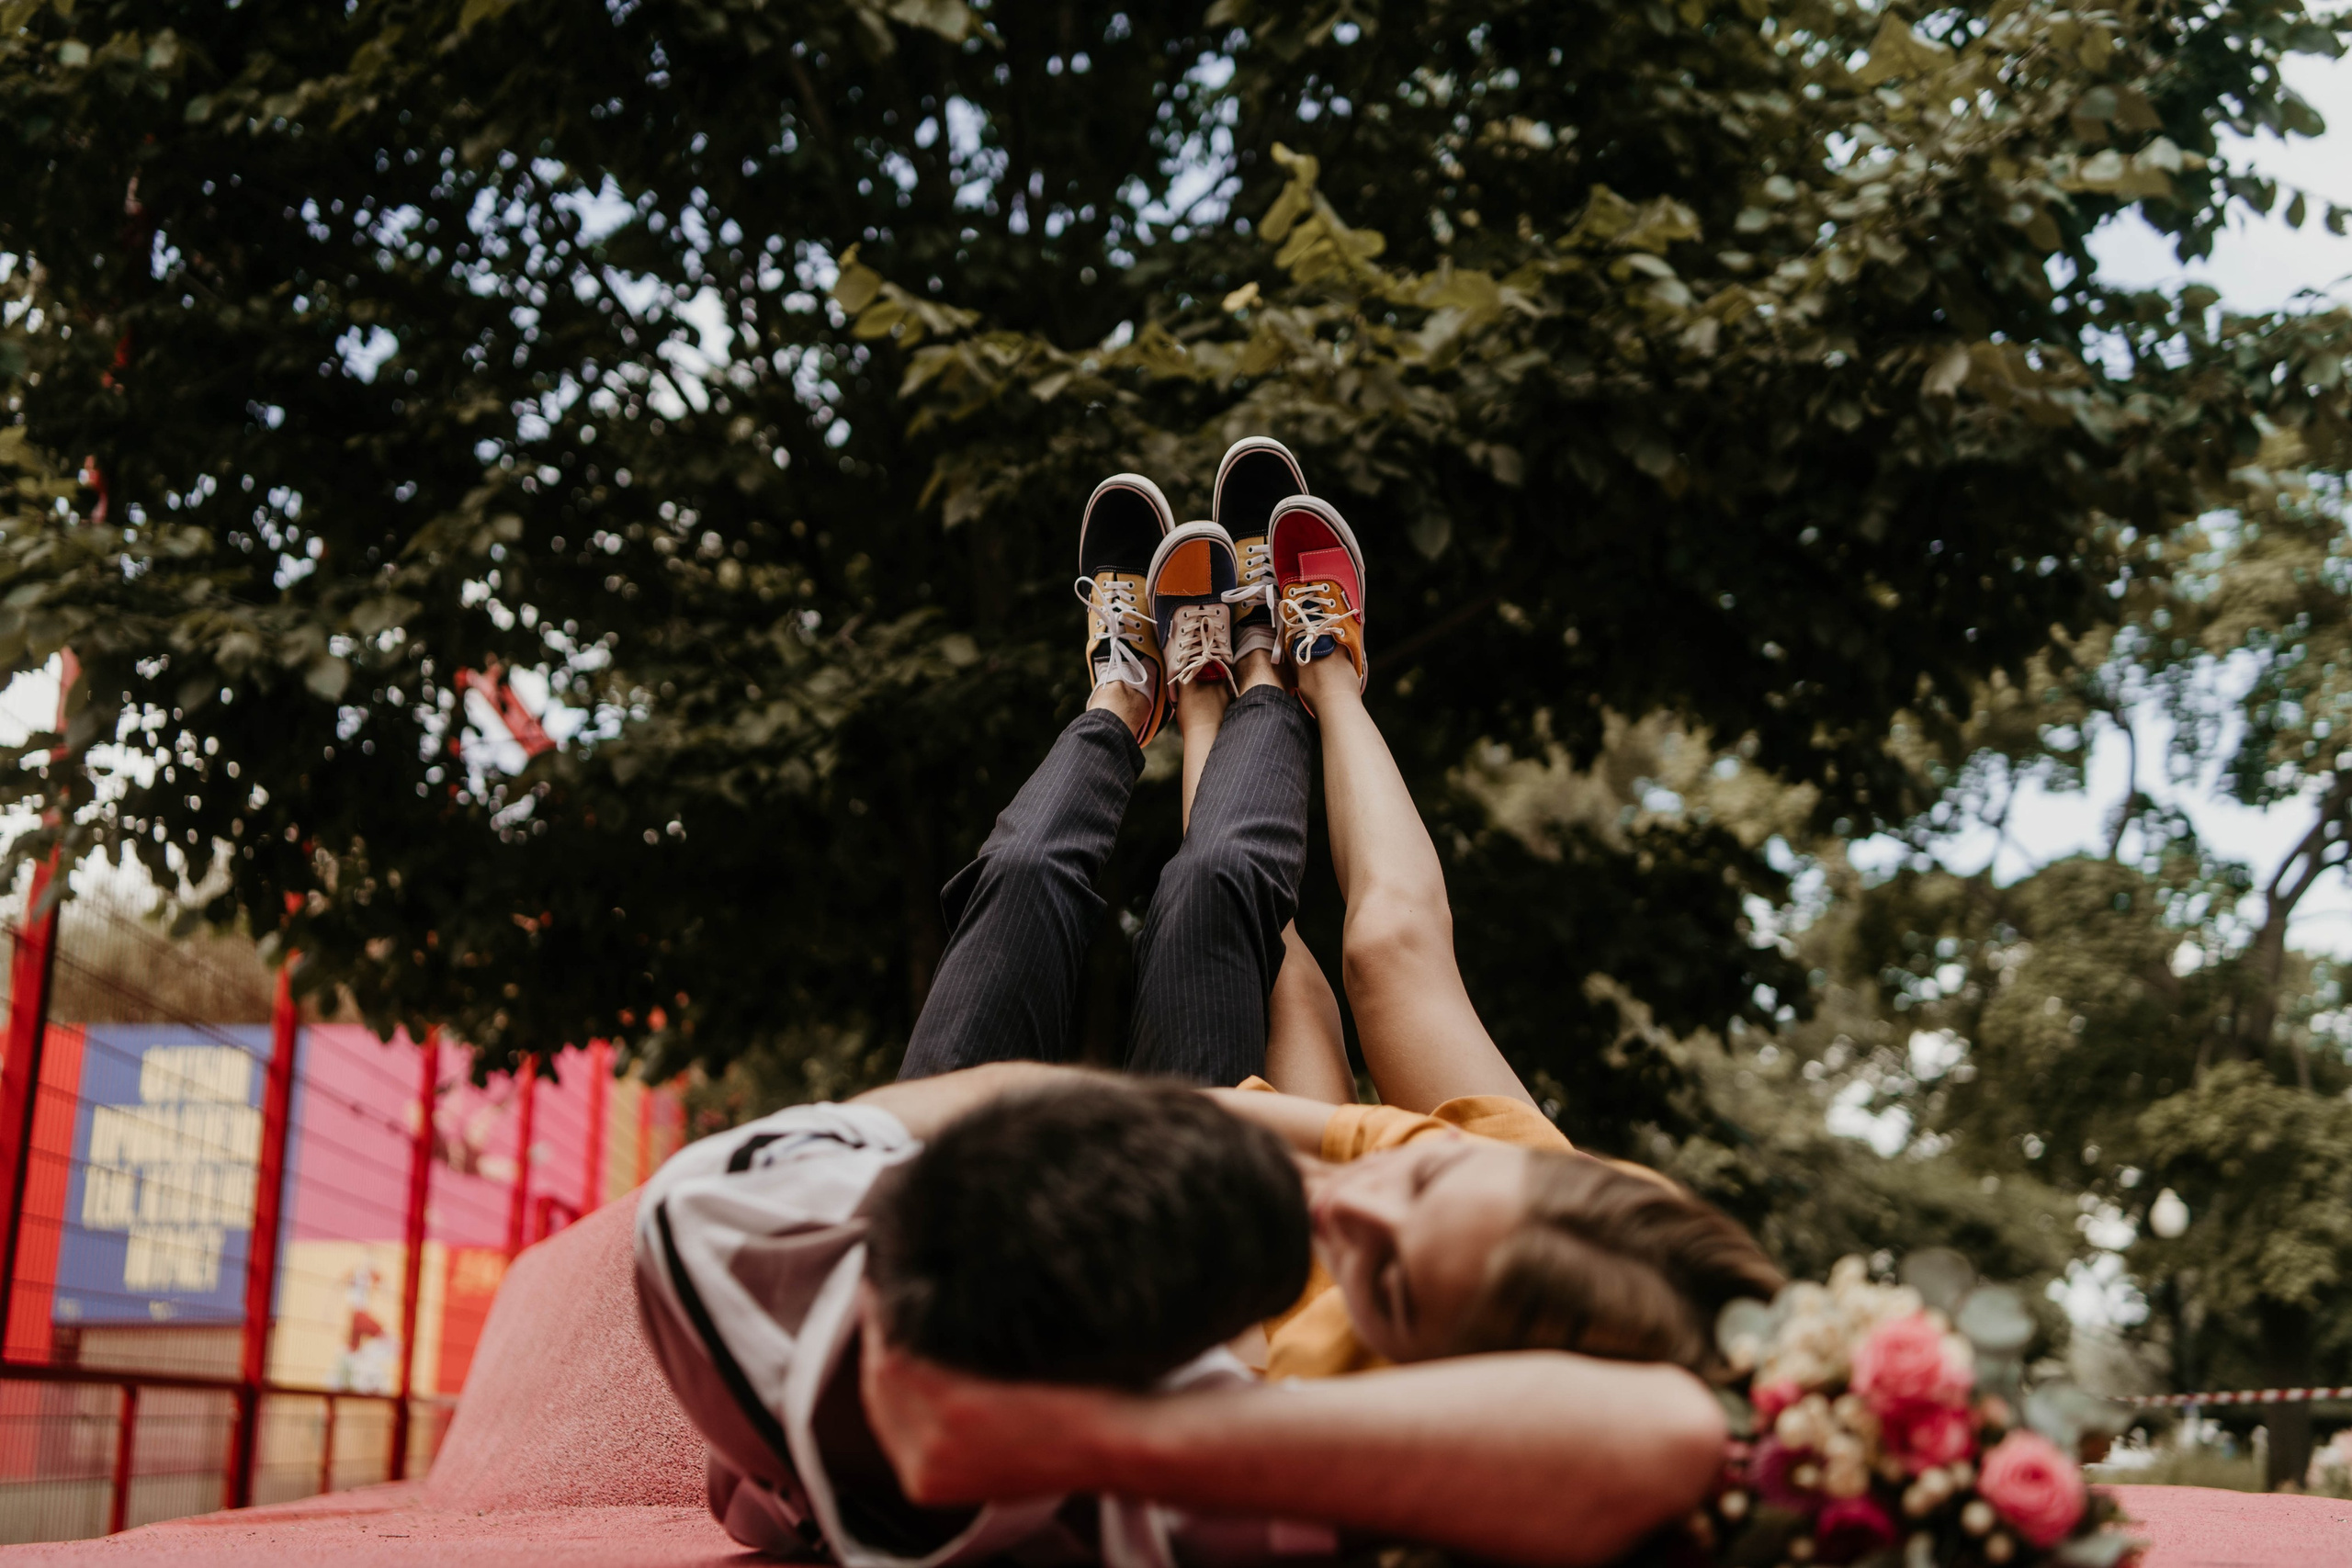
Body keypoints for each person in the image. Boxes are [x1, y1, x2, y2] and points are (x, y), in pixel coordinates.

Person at [638, 440, 1770, 1567]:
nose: (1345, 1209)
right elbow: (1375, 966)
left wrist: (1112, 1407)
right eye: (1410, 1178)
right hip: (1185, 1204)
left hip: (1135, 1280)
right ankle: (1282, 675)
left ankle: (1149, 695)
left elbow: (1664, 1438)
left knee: (1099, 889)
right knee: (1284, 924)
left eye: (1390, 1285)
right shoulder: (1494, 1192)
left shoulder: (1397, 1458)